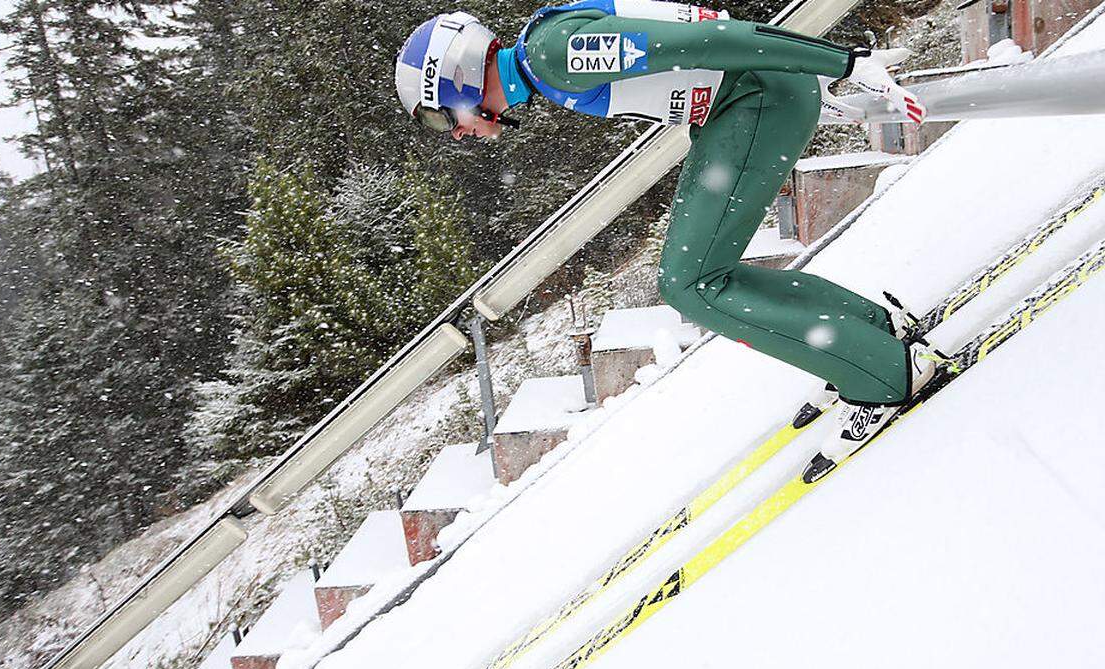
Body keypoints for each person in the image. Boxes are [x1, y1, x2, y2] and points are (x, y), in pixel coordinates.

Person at [394, 1, 938, 483]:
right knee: (702, 276)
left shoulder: (555, 54)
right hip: (746, 102)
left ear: (461, 79)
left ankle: (884, 373)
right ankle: (867, 333)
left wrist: (837, 61)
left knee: (692, 284)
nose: (456, 133)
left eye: (443, 119)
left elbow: (713, 40)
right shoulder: (547, 53)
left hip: (756, 101)